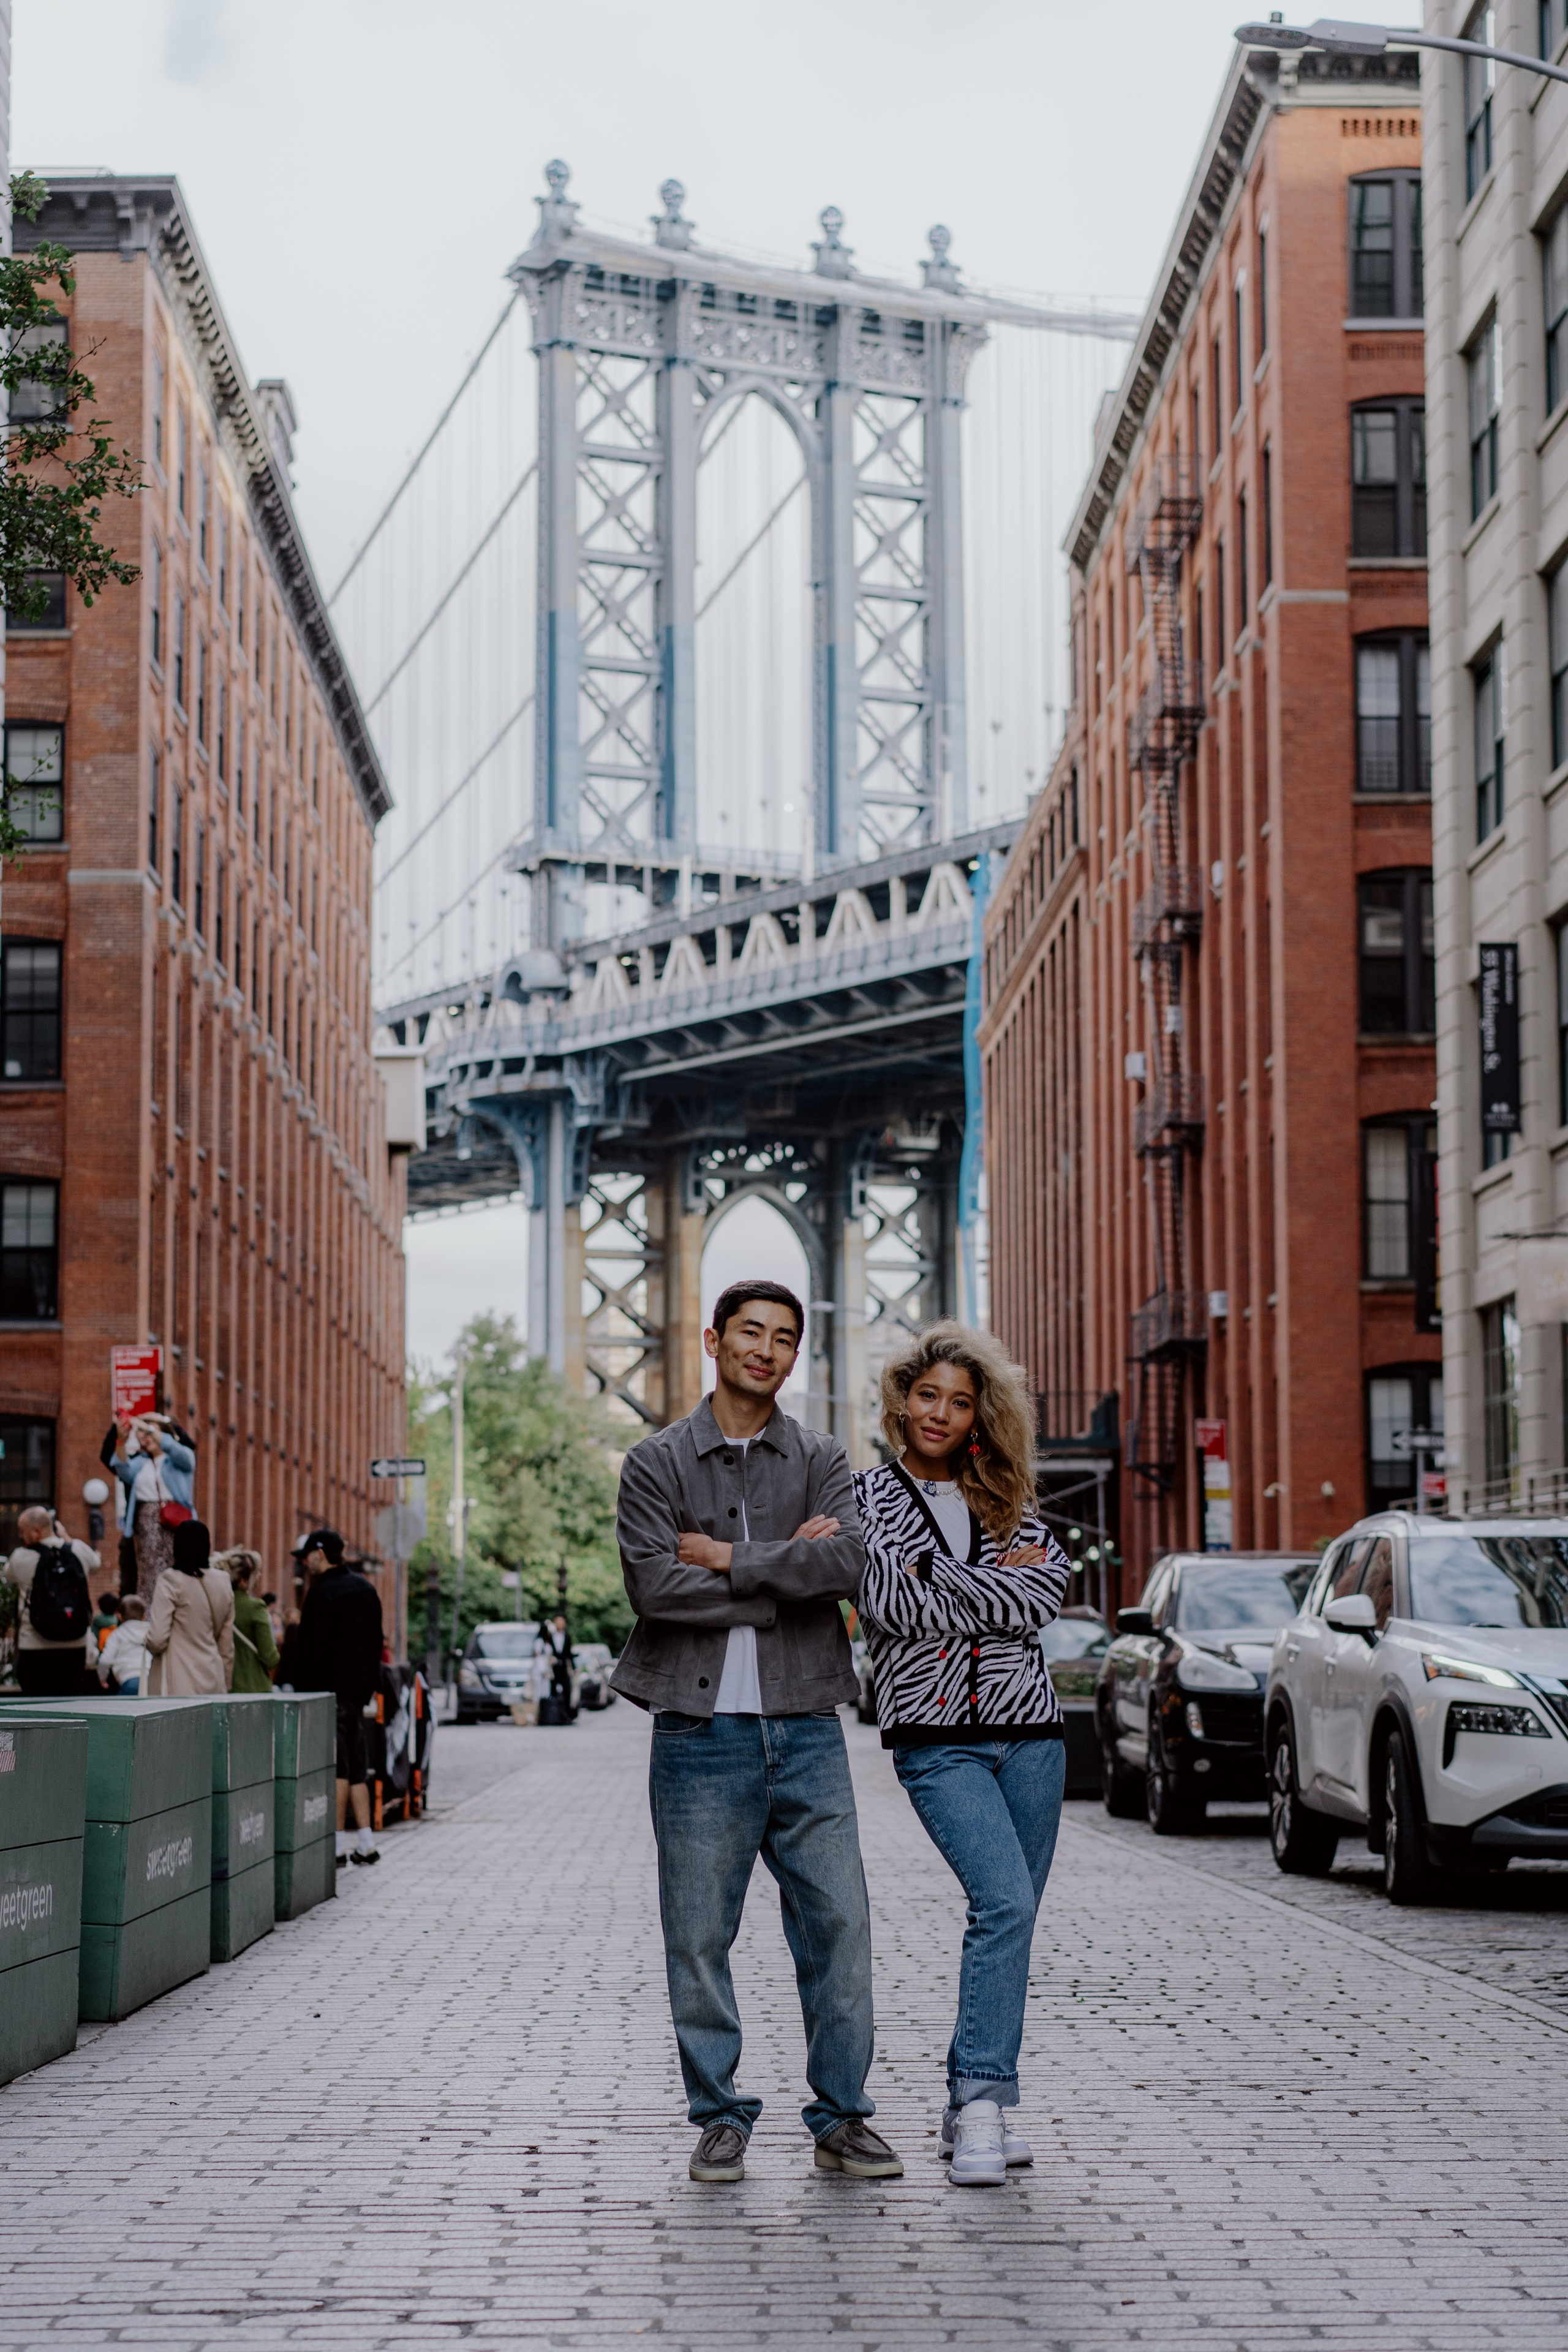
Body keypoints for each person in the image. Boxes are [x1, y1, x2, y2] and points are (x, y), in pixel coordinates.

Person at [613, 1278, 901, 2188]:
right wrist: (786, 1578)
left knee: (840, 1928)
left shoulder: (822, 1456)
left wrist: (732, 1558)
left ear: (793, 1353)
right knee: (698, 1934)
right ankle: (720, 2117)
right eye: (749, 1333)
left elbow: (846, 1561)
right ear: (714, 1339)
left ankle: (842, 2118)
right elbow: (656, 1589)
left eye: (782, 1337)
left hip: (806, 1728)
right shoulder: (657, 1463)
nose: (765, 1350)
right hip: (698, 1735)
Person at [853, 1322, 1070, 2188]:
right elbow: (889, 1607)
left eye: (959, 1400)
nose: (939, 1412)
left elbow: (1043, 1595)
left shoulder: (1005, 1496)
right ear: (901, 1403)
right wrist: (988, 1592)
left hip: (1034, 1737)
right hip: (936, 1740)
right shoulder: (866, 1496)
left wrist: (936, 1578)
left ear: (982, 1414)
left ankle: (963, 2102)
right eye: (927, 1395)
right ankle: (984, 2105)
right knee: (1004, 1900)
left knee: (1009, 1921)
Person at [292, 1529, 383, 1868]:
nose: (303, 1562)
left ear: (320, 1553)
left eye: (305, 1555)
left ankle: (337, 1846)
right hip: (359, 1692)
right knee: (357, 1766)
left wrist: (304, 1693)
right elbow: (376, 1641)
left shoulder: (321, 1594)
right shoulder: (365, 1588)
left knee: (338, 1766)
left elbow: (311, 1651)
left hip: (330, 1691)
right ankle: (366, 1841)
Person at [4, 1507, 100, 1695]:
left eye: (23, 1531)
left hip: (34, 1646)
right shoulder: (78, 1549)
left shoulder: (21, 1557)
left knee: (36, 1707)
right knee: (69, 1704)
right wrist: (66, 1538)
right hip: (75, 1645)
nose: (21, 1536)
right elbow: (95, 1564)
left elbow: (9, 1575)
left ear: (36, 1531)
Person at [108, 1415, 195, 1613]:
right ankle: (150, 1615)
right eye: (142, 1433)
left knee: (176, 1569)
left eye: (151, 1432)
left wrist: (151, 1431)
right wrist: (121, 1440)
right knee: (149, 1572)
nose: (146, 1437)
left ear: (164, 1434)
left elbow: (186, 1457)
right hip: (146, 1522)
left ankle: (177, 1612)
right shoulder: (141, 1463)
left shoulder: (177, 1461)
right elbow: (123, 1470)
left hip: (175, 1521)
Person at [145, 1518, 235, 1696]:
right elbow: (227, 1646)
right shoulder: (223, 1581)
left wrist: (145, 1640)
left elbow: (157, 1638)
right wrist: (226, 1683)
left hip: (178, 1683)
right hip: (214, 1679)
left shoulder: (171, 1580)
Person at [217, 1548, 281, 1693]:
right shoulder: (255, 1607)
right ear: (243, 1582)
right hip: (254, 1687)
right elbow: (270, 1658)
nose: (259, 1576)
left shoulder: (217, 1604)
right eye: (255, 1573)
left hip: (224, 1686)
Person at [98, 1594, 150, 1694]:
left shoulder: (118, 1635)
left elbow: (105, 1660)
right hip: (150, 1679)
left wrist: (102, 1679)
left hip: (128, 1680)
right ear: (144, 1616)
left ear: (120, 1617)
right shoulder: (151, 1632)